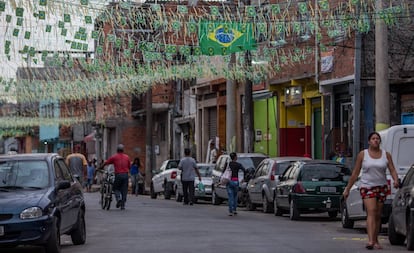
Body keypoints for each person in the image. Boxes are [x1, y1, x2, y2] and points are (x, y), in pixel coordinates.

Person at [343, 131, 399, 250]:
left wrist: (395, 180)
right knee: (371, 211)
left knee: (378, 214)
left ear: (380, 141)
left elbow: (392, 169)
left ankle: (376, 239)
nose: (375, 140)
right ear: (369, 141)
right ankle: (370, 241)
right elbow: (355, 172)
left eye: (377, 139)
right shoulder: (363, 155)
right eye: (373, 139)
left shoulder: (386, 154)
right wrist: (347, 188)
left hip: (382, 187)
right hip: (367, 186)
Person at [101, 144, 131, 210]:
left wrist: (100, 167)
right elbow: (129, 166)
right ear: (123, 150)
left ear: (117, 150)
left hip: (118, 175)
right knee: (124, 190)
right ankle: (122, 205)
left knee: (115, 188)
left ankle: (118, 199)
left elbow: (106, 162)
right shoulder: (127, 157)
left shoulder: (114, 157)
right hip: (125, 175)